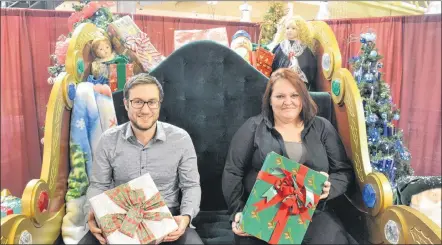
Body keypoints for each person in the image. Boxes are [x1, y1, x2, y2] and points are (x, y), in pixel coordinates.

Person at [222, 68, 355, 244]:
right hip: (265, 212)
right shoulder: (253, 127)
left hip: (313, 212)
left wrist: (329, 188)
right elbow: (233, 171)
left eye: (294, 95)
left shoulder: (322, 127)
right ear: (269, 100)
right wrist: (237, 211)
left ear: (303, 98)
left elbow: (343, 172)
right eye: (280, 96)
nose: (288, 102)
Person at [81, 73, 203, 245]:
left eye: (152, 102)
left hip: (167, 218)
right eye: (137, 102)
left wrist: (186, 217)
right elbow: (98, 185)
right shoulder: (108, 140)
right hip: (120, 217)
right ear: (126, 104)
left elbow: (191, 185)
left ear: (159, 104)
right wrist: (91, 214)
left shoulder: (181, 139)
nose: (145, 110)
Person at [270, 16, 317, 90]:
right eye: (287, 28)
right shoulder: (279, 47)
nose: (289, 30)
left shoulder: (305, 50)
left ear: (300, 30)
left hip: (299, 86)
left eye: (293, 28)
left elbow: (310, 69)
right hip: (280, 84)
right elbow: (273, 65)